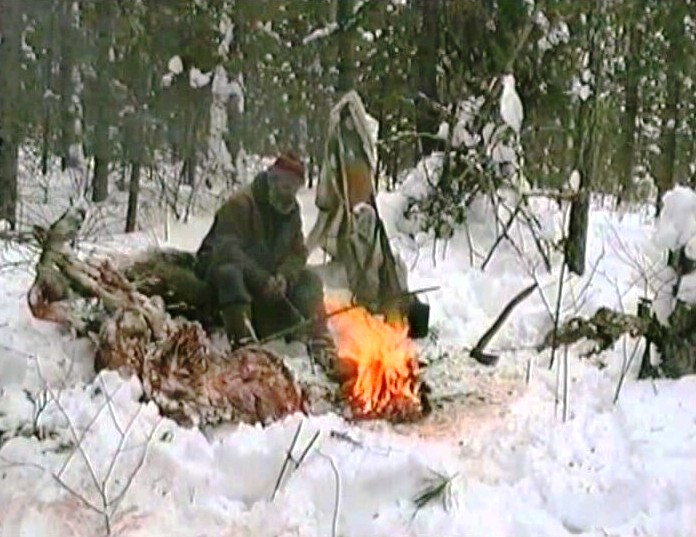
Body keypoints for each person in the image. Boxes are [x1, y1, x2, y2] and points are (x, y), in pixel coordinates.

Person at [194, 152, 337, 365]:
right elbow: (227, 251)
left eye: (295, 187)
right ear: (273, 179)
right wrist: (261, 278)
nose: (290, 193)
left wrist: (284, 277)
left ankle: (321, 341)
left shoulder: (291, 212)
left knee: (310, 281)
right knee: (229, 273)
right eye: (286, 186)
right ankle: (242, 340)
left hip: (266, 277)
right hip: (221, 271)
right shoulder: (240, 204)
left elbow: (297, 254)